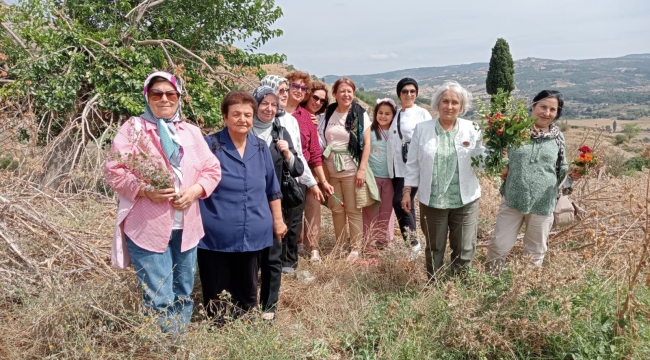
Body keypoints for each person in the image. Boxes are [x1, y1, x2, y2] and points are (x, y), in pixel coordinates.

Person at [105, 71, 221, 333]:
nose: (165, 99)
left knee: (183, 292)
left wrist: (194, 191)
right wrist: (145, 191)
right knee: (159, 297)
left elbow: (212, 169)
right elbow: (114, 169)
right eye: (157, 93)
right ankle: (167, 348)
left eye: (171, 94)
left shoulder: (190, 132)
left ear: (178, 97)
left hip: (187, 228)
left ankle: (176, 342)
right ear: (148, 96)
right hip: (148, 228)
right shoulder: (134, 129)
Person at [198, 90, 287, 326]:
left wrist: (278, 220)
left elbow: (272, 188)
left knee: (247, 288)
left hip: (254, 230)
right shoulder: (210, 145)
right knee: (217, 288)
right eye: (236, 114)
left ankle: (245, 327)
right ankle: (219, 329)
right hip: (216, 231)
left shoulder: (260, 147)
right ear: (225, 117)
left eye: (248, 114)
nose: (243, 119)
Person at [486, 90, 581, 270]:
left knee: (535, 251)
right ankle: (491, 283)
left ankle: (524, 289)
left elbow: (561, 167)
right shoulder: (515, 130)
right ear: (533, 106)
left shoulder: (558, 138)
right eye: (543, 107)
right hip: (513, 198)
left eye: (552, 109)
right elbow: (498, 154)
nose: (546, 112)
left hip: (543, 203)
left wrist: (572, 176)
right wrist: (503, 165)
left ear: (557, 113)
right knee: (499, 245)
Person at [401, 81, 485, 278]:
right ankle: (434, 286)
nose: (449, 106)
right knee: (434, 247)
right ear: (437, 104)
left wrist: (496, 153)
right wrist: (407, 191)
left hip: (465, 200)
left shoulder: (472, 128)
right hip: (433, 200)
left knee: (464, 248)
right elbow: (412, 163)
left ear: (461, 106)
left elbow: (480, 162)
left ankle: (460, 287)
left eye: (455, 102)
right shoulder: (422, 129)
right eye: (445, 101)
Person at [250, 85, 304, 321]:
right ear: (255, 104)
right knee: (249, 257)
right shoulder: (243, 129)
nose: (269, 108)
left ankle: (269, 308)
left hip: (276, 204)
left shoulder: (280, 132)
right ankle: (247, 302)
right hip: (248, 204)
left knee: (273, 257)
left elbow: (298, 168)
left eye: (273, 104)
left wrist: (288, 154)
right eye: (264, 103)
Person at [320, 77, 375, 263]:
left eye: (349, 91)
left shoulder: (360, 114)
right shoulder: (328, 112)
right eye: (342, 91)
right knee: (336, 208)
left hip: (352, 172)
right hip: (331, 174)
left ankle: (356, 249)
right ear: (335, 94)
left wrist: (362, 169)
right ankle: (340, 245)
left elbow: (367, 144)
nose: (346, 94)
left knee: (352, 210)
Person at [283, 71, 333, 267]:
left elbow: (314, 153)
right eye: (295, 87)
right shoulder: (277, 113)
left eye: (303, 88)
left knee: (304, 211)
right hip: (279, 172)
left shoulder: (306, 118)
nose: (299, 91)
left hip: (303, 171)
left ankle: (310, 249)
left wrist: (322, 181)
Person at [387, 78, 432, 251]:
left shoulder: (422, 114)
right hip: (396, 168)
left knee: (399, 201)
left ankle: (413, 244)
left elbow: (429, 141)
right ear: (399, 94)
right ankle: (413, 244)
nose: (409, 94)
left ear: (417, 93)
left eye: (412, 91)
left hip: (412, 168)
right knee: (407, 205)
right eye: (405, 91)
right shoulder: (397, 113)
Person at [298, 80, 331, 262]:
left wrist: (316, 130)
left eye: (322, 101)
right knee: (295, 208)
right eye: (315, 97)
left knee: (313, 207)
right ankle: (298, 243)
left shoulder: (321, 119)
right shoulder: (296, 114)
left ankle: (313, 248)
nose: (318, 102)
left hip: (314, 167)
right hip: (297, 168)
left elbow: (321, 148)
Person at [363, 98, 397, 252]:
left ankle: (384, 240)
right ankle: (368, 240)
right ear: (375, 113)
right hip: (373, 176)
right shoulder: (370, 130)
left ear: (393, 115)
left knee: (387, 209)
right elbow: (365, 150)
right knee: (370, 209)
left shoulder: (396, 132)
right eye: (380, 113)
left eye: (387, 114)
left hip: (390, 177)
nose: (383, 116)